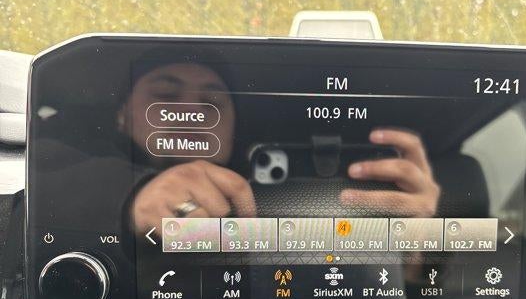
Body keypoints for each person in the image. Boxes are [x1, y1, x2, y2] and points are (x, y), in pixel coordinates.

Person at [117, 61, 440, 235]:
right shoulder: (90, 173)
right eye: (165, 96)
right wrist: (134, 203)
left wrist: (416, 249)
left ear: (231, 132)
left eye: (212, 101)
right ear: (122, 117)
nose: (191, 109)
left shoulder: (261, 203)